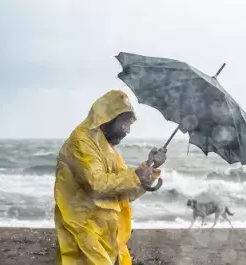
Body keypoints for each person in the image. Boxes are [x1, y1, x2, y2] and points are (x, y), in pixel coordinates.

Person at [54, 89, 167, 265]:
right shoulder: (82, 142)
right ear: (107, 118)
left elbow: (124, 193)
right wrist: (137, 176)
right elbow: (96, 184)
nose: (127, 131)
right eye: (124, 124)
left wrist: (150, 168)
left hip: (107, 232)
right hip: (83, 226)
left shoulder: (108, 148)